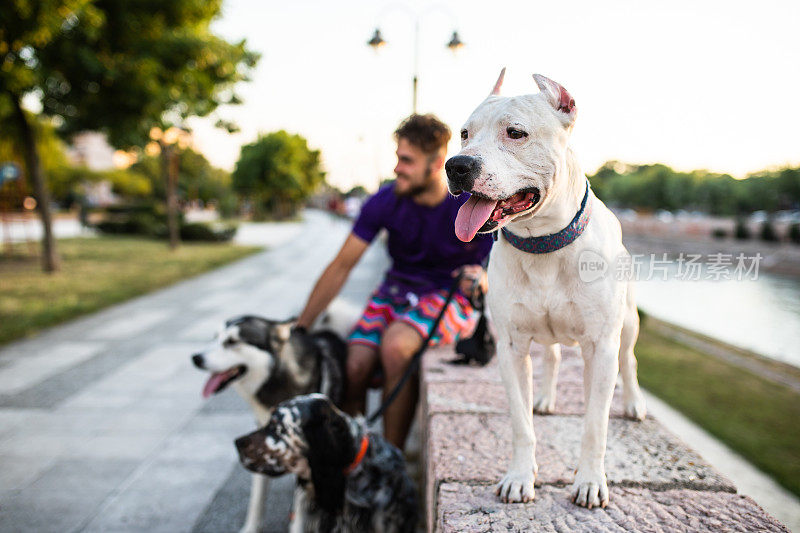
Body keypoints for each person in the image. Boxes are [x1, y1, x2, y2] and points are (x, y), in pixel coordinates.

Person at [295, 114, 493, 450]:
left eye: (406, 161)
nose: (397, 169)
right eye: (398, 158)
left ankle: (392, 460)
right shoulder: (385, 201)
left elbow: (500, 267)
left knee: (396, 347)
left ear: (435, 165)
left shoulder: (470, 203)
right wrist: (300, 328)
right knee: (354, 365)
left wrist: (482, 277)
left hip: (448, 294)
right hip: (394, 291)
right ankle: (352, 460)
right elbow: (341, 265)